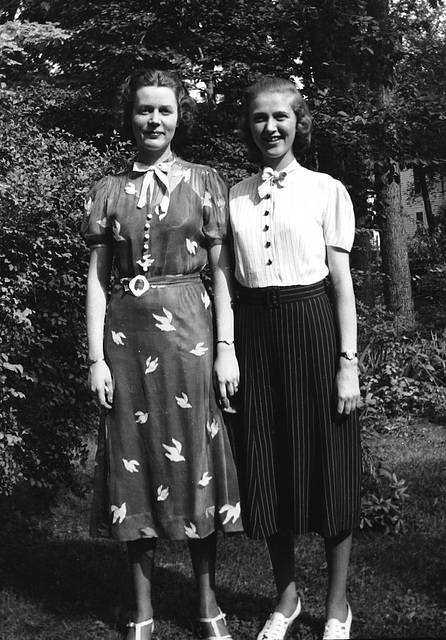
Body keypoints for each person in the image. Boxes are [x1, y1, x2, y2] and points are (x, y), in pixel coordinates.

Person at [81, 68, 242, 640]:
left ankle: (205, 603)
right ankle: (143, 609)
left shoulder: (206, 182)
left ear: (179, 117)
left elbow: (222, 276)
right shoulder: (107, 189)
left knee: (194, 460)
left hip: (191, 338)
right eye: (144, 110)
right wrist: (96, 357)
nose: (154, 120)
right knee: (134, 460)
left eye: (165, 111)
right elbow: (98, 280)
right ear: (130, 116)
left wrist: (226, 348)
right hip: (125, 340)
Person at [229, 76, 361, 640]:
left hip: (312, 327)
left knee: (330, 467)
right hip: (257, 335)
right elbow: (227, 283)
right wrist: (227, 351)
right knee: (267, 466)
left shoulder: (326, 190)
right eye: (260, 118)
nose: (271, 128)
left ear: (299, 122)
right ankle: (286, 598)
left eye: (281, 117)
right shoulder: (232, 195)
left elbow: (342, 285)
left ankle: (337, 606)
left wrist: (346, 362)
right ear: (250, 126)